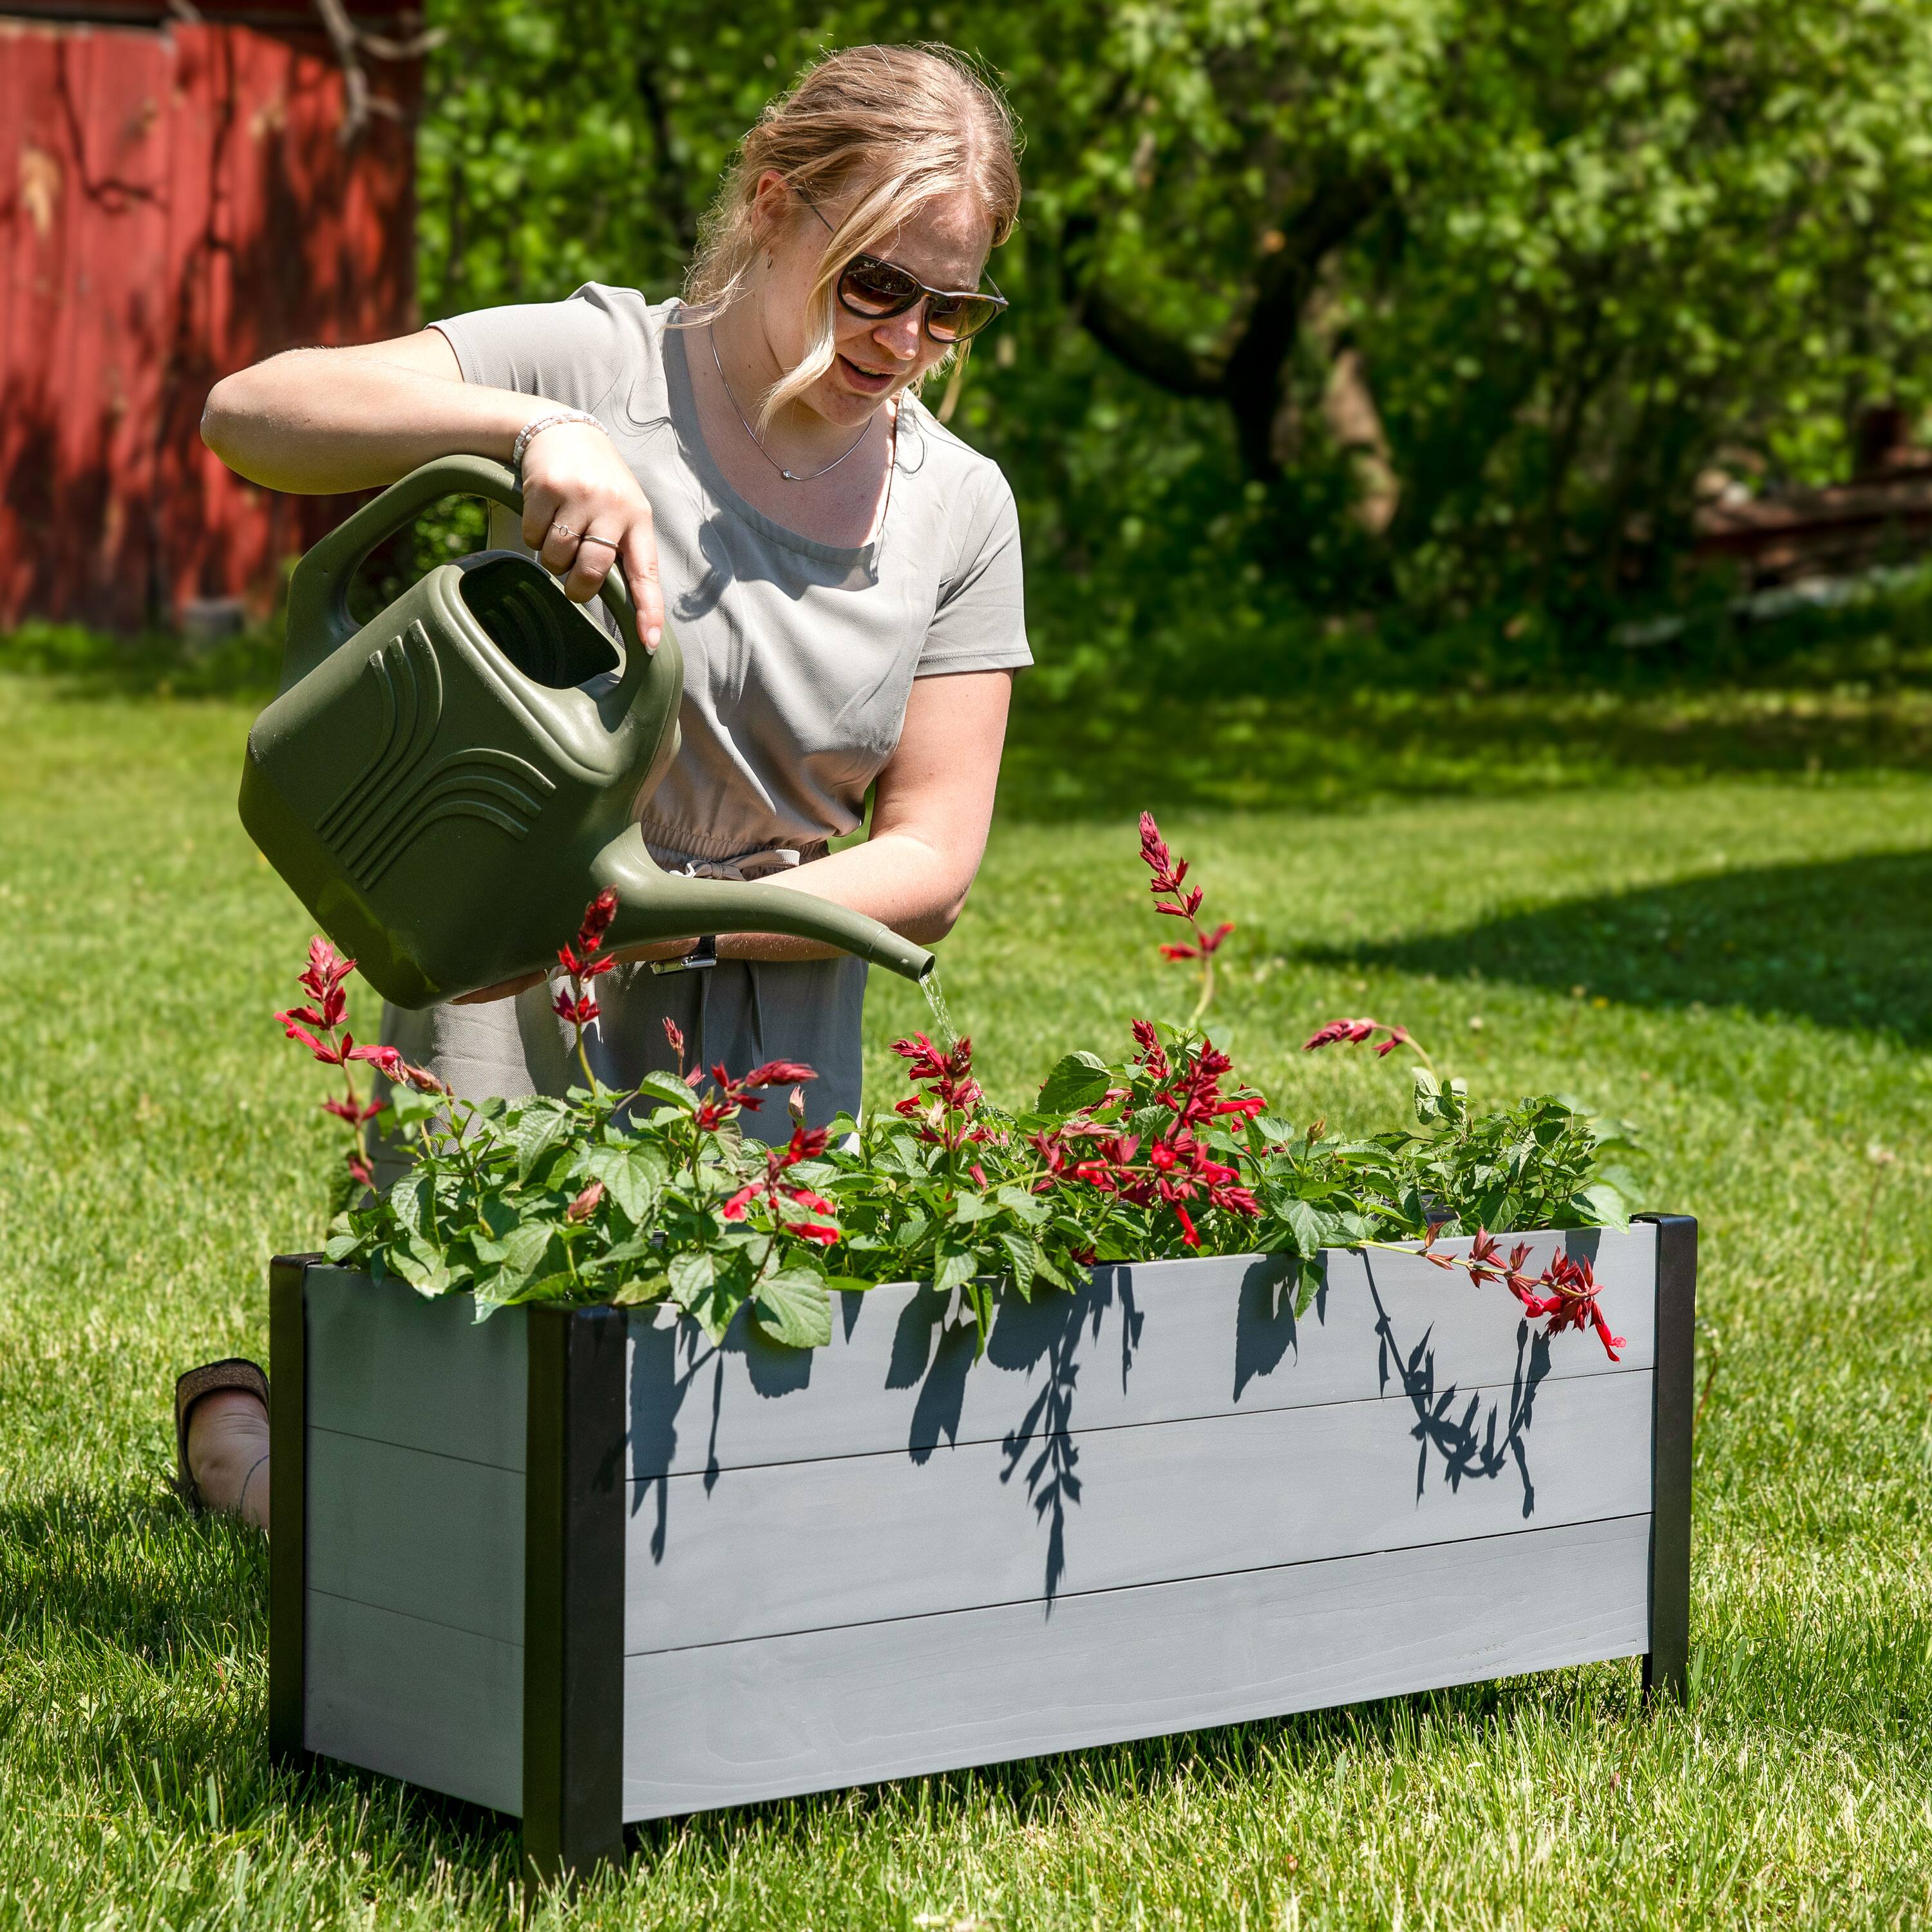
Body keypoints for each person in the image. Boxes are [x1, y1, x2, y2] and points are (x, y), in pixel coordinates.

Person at [173, 43, 1028, 1530]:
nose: (909, 336)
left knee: (720, 1517)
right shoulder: (598, 368)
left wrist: (659, 925)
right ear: (776, 205)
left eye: (953, 306)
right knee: (445, 1527)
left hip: (766, 1015)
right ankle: (244, 1445)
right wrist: (521, 430)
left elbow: (935, 853)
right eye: (879, 283)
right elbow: (253, 411)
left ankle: (293, 1426)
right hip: (507, 992)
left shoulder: (959, 503)